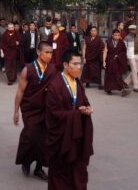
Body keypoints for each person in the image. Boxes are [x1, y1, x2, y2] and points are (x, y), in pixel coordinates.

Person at [46, 50, 94, 190]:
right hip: (62, 138)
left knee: (78, 169)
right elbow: (52, 114)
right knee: (61, 173)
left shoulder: (77, 82)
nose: (79, 67)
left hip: (76, 134)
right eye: (75, 64)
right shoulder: (55, 85)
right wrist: (75, 114)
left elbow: (83, 101)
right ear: (66, 65)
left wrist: (87, 109)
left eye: (80, 64)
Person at [14, 42, 56, 181]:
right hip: (30, 109)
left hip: (46, 109)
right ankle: (26, 162)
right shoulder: (28, 69)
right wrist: (16, 111)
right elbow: (20, 91)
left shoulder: (52, 69)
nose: (50, 56)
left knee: (45, 139)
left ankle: (39, 168)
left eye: (51, 53)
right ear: (38, 53)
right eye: (47, 53)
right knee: (30, 136)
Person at [103, 29, 130, 96]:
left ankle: (122, 89)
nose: (117, 37)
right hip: (109, 61)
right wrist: (104, 61)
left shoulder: (121, 42)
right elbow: (105, 51)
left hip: (118, 62)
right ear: (112, 35)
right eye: (115, 35)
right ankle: (108, 89)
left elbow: (124, 52)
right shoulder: (108, 42)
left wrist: (118, 55)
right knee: (109, 76)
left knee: (117, 75)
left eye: (118, 35)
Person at [124, 25, 138, 93]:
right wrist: (126, 57)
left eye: (135, 29)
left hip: (137, 55)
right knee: (134, 70)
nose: (134, 31)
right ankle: (135, 86)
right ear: (129, 30)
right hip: (131, 56)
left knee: (136, 70)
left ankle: (126, 82)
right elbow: (124, 48)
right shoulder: (126, 38)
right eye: (132, 29)